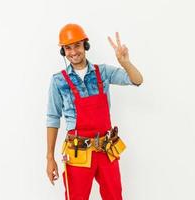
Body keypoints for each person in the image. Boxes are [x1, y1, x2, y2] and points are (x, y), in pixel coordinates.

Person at [46, 23, 143, 200]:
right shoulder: (59, 81)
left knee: (114, 196)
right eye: (68, 48)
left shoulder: (103, 72)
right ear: (63, 51)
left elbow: (137, 80)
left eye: (77, 45)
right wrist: (50, 158)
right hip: (77, 153)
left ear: (85, 45)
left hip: (107, 150)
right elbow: (53, 118)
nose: (73, 52)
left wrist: (125, 62)